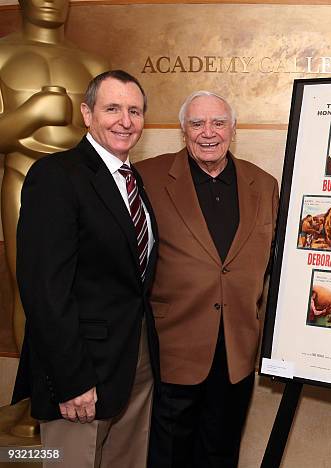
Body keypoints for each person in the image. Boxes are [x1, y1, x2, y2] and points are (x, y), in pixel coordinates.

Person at [11, 70, 159, 468]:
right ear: (87, 114)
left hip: (134, 364)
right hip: (81, 373)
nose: (125, 121)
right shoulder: (56, 176)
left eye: (135, 111)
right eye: (112, 108)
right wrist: (72, 379)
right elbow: (44, 289)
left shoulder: (133, 180)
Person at [136, 90, 278, 467]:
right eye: (197, 123)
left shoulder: (264, 185)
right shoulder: (147, 177)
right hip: (174, 347)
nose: (208, 132)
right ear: (183, 131)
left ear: (234, 129)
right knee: (168, 455)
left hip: (236, 350)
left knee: (221, 452)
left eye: (218, 122)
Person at [0, 0, 108, 436]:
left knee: (84, 293)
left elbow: (112, 132)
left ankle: (78, 389)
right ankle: (33, 402)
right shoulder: (2, 54)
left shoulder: (94, 63)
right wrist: (31, 115)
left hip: (87, 187)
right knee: (31, 293)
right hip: (24, 177)